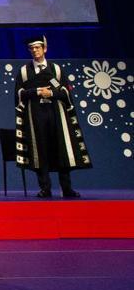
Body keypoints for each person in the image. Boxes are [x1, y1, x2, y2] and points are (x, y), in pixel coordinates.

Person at [13, 36, 91, 198]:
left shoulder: (56, 69)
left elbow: (65, 92)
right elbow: (18, 94)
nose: (35, 50)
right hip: (35, 115)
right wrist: (35, 92)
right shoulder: (23, 72)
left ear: (45, 49)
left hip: (56, 113)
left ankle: (66, 188)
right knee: (39, 149)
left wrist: (51, 93)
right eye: (31, 48)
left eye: (38, 47)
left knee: (61, 147)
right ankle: (45, 188)